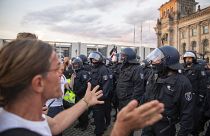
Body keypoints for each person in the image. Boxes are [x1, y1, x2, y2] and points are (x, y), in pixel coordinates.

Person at [0, 39, 164, 136]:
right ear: (38, 83)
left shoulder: (21, 116)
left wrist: (85, 102)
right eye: (57, 68)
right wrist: (121, 128)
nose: (63, 73)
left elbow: (56, 124)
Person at [141, 46, 194, 136]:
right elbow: (146, 96)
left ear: (167, 61)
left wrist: (182, 133)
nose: (153, 62)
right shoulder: (153, 76)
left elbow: (187, 113)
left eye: (157, 59)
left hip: (165, 127)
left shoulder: (182, 82)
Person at [182, 51, 207, 136]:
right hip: (184, 96)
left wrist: (201, 96)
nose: (188, 60)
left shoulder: (199, 68)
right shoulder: (182, 68)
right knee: (185, 114)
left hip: (195, 96)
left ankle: (194, 131)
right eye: (186, 58)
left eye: (190, 58)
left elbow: (203, 83)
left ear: (193, 59)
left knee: (195, 115)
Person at [88, 51, 113, 136]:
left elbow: (106, 85)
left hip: (100, 98)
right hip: (94, 96)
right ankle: (99, 128)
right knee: (96, 115)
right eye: (92, 59)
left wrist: (101, 97)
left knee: (99, 116)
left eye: (95, 59)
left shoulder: (103, 69)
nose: (93, 61)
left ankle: (99, 131)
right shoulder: (94, 69)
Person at [70, 57, 90, 131]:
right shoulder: (75, 73)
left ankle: (85, 125)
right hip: (76, 95)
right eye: (74, 64)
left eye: (76, 64)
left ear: (80, 64)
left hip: (82, 95)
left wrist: (77, 92)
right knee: (78, 111)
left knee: (83, 111)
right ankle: (80, 123)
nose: (75, 66)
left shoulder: (84, 73)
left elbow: (85, 85)